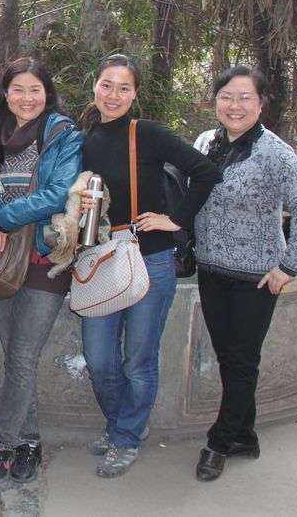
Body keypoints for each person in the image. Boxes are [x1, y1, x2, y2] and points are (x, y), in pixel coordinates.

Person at [78, 54, 220, 478]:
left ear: (135, 94)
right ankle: (123, 423)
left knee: (138, 359)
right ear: (94, 87)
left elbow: (206, 171)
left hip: (149, 256)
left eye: (124, 88)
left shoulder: (147, 133)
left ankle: (125, 436)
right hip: (99, 258)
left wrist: (177, 220)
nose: (113, 95)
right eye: (107, 85)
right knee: (99, 359)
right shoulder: (83, 139)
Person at [191, 66, 297, 481]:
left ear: (261, 104)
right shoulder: (205, 142)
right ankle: (245, 434)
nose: (235, 105)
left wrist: (289, 266)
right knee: (228, 358)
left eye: (245, 97)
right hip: (210, 269)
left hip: (256, 277)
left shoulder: (275, 153)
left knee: (242, 360)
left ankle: (219, 442)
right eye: (227, 96)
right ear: (216, 101)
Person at [0, 58, 83, 486]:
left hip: (43, 259)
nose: (26, 98)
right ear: (5, 94)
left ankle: (0, 446)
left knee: (21, 359)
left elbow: (59, 194)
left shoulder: (63, 135)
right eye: (17, 89)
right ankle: (30, 442)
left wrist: (4, 217)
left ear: (46, 93)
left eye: (35, 89)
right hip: (4, 260)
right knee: (16, 360)